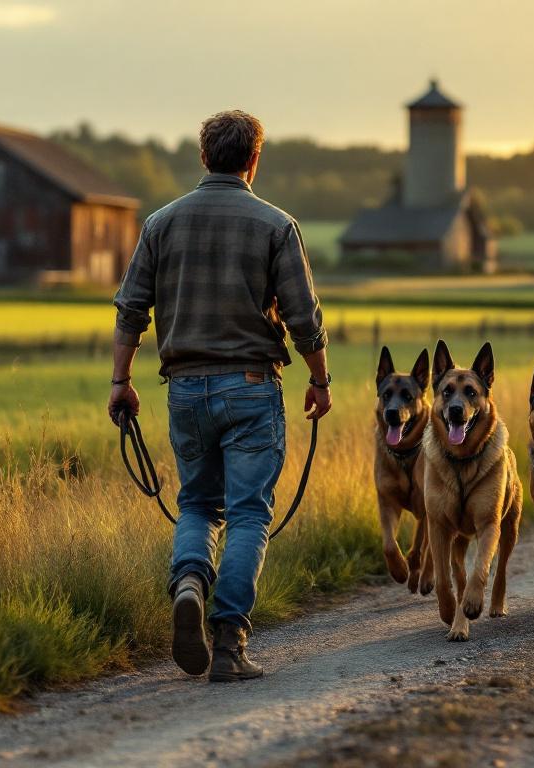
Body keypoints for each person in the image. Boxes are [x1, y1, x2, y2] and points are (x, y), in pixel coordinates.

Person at [108, 110, 331, 682]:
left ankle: (188, 581)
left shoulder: (161, 223)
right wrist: (320, 379)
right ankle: (229, 643)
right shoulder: (276, 225)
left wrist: (121, 381)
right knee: (249, 512)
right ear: (254, 159)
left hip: (184, 388)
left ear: (204, 156)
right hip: (253, 389)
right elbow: (304, 317)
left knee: (198, 505)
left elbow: (131, 309)